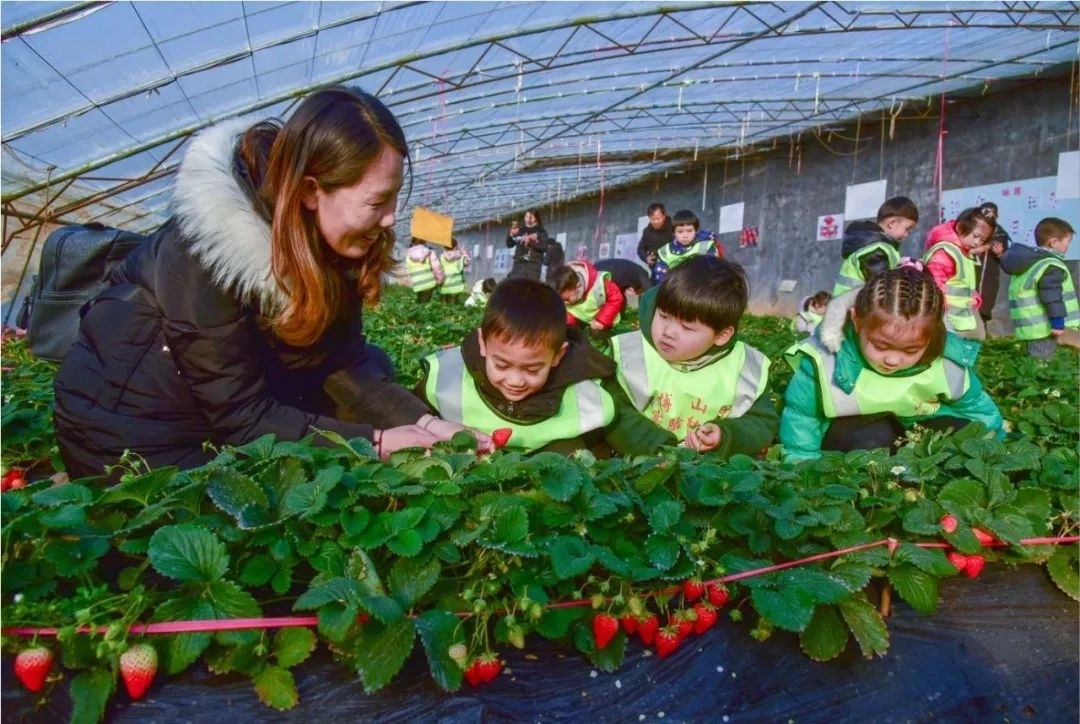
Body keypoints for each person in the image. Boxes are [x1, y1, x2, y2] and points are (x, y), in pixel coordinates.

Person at [52, 85, 492, 479]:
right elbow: (242, 417)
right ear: (310, 191)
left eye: (395, 197)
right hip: (128, 436)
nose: (391, 218)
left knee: (373, 367)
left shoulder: (330, 244)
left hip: (217, 414)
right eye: (377, 201)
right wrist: (376, 443)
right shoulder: (208, 252)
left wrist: (426, 425)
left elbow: (344, 361)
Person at [780, 264, 1003, 461]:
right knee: (873, 440)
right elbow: (802, 415)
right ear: (857, 321)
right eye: (880, 346)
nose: (893, 360)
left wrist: (995, 444)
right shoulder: (826, 360)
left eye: (911, 350)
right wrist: (803, 462)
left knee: (964, 434)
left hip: (916, 429)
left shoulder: (946, 361)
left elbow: (976, 407)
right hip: (857, 433)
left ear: (932, 336)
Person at [416, 278, 620, 455]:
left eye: (532, 370)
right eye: (502, 365)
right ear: (482, 343)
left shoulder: (585, 391)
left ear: (558, 355)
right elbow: (412, 419)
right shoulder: (446, 377)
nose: (515, 381)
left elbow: (604, 446)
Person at [606, 255, 778, 456]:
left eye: (687, 327)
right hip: (640, 462)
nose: (668, 331)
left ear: (721, 335)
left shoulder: (745, 367)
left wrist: (725, 436)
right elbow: (613, 410)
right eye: (663, 316)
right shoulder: (630, 351)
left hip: (710, 470)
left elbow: (762, 422)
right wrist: (657, 447)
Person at [1000, 217, 1080, 359]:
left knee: (1033, 360)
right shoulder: (1051, 265)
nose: (1068, 246)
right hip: (1044, 327)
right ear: (1054, 242)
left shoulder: (1030, 263)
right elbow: (1051, 296)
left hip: (1029, 326)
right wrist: (1057, 322)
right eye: (1067, 241)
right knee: (1041, 363)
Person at [923, 207, 994, 341]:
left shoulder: (962, 252)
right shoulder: (946, 252)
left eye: (983, 240)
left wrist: (974, 300)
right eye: (976, 236)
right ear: (961, 228)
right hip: (947, 321)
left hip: (960, 319)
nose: (977, 243)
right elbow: (934, 286)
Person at [832, 196, 919, 298]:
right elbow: (882, 288)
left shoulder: (878, 246)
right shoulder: (875, 251)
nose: (906, 234)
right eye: (907, 229)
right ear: (892, 223)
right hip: (852, 308)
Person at [548, 260, 626, 338]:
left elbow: (616, 298)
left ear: (577, 287)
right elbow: (569, 316)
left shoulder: (599, 285)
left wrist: (602, 321)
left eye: (567, 299)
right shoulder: (566, 296)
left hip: (607, 320)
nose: (564, 303)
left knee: (598, 335)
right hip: (586, 321)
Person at [651, 209, 719, 284]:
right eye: (680, 232)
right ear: (673, 233)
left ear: (696, 231)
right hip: (674, 288)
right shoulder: (665, 252)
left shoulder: (705, 245)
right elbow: (659, 277)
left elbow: (714, 270)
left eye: (689, 231)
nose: (685, 235)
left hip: (702, 287)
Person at [973, 201, 1012, 324]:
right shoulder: (970, 230)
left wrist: (1000, 253)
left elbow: (1005, 260)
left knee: (983, 309)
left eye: (992, 216)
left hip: (989, 278)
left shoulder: (1001, 234)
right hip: (971, 274)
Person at [506, 209, 551, 281]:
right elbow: (509, 244)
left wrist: (531, 242)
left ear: (536, 218)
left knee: (529, 287)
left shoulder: (540, 231)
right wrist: (511, 235)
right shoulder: (520, 230)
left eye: (531, 217)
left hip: (533, 264)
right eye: (526, 216)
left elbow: (544, 247)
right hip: (519, 263)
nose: (528, 219)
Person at [637, 202, 673, 274]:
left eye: (658, 219)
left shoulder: (673, 227)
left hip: (672, 265)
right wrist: (646, 259)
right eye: (653, 219)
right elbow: (640, 249)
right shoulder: (647, 231)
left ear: (664, 216)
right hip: (656, 267)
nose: (656, 222)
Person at [406, 236, 444, 303]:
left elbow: (409, 270)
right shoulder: (429, 252)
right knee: (426, 302)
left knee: (420, 300)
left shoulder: (408, 254)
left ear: (412, 241)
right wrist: (440, 279)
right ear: (424, 241)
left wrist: (411, 282)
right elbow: (436, 267)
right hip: (429, 281)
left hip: (417, 282)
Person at [438, 237, 470, 304]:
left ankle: (444, 310)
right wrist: (464, 253)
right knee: (454, 301)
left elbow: (439, 268)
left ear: (444, 247)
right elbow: (467, 263)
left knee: (444, 301)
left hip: (445, 283)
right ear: (456, 246)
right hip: (457, 284)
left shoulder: (442, 256)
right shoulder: (460, 256)